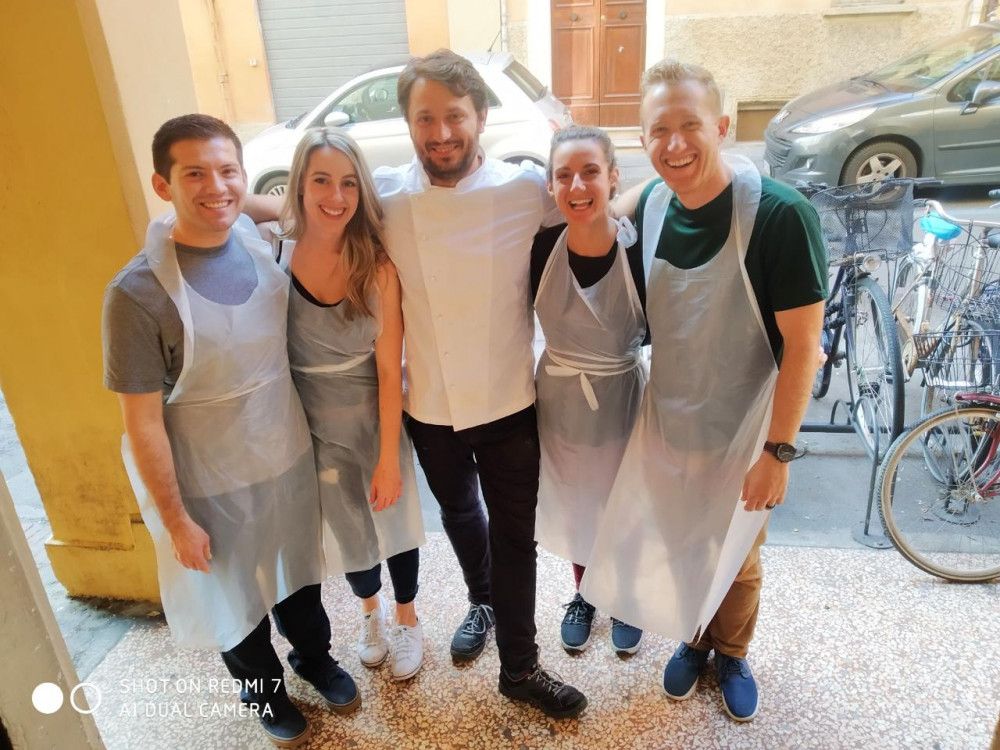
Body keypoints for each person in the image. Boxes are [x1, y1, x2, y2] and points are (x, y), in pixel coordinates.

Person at [248, 49, 587, 720]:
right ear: (407, 124)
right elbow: (313, 212)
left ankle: (521, 667)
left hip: (507, 400)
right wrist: (224, 206)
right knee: (459, 515)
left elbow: (589, 205)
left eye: (454, 116)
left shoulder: (525, 191)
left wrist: (650, 201)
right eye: (424, 118)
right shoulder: (389, 199)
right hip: (428, 407)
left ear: (480, 116)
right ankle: (480, 601)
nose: (441, 133)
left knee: (515, 538)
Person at [580, 60, 827, 722]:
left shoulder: (780, 216)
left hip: (748, 431)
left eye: (690, 125)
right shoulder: (653, 207)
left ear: (721, 127)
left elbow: (804, 346)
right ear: (642, 141)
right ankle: (693, 641)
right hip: (672, 420)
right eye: (659, 130)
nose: (675, 144)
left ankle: (733, 652)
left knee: (737, 556)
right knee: (682, 540)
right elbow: (598, 220)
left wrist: (778, 453)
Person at [102, 114, 359, 749]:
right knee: (235, 600)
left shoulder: (250, 236)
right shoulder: (137, 294)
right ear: (162, 185)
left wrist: (245, 199)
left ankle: (315, 659)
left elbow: (299, 206)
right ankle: (263, 693)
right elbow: (141, 422)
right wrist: (176, 520)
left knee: (300, 576)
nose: (215, 188)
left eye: (227, 172)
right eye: (195, 174)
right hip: (208, 477)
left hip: (284, 453)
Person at [275, 127, 426, 682]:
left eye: (348, 183)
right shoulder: (275, 253)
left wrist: (388, 457)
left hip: (372, 415)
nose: (335, 196)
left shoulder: (377, 267)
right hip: (309, 424)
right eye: (321, 181)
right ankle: (371, 615)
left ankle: (408, 618)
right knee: (348, 528)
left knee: (395, 520)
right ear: (299, 183)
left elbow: (389, 370)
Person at [530, 126, 647, 656]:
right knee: (577, 501)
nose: (577, 186)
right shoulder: (539, 249)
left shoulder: (638, 250)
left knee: (623, 500)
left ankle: (624, 596)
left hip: (622, 396)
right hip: (560, 400)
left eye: (590, 172)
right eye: (564, 175)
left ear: (613, 177)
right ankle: (586, 593)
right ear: (551, 185)